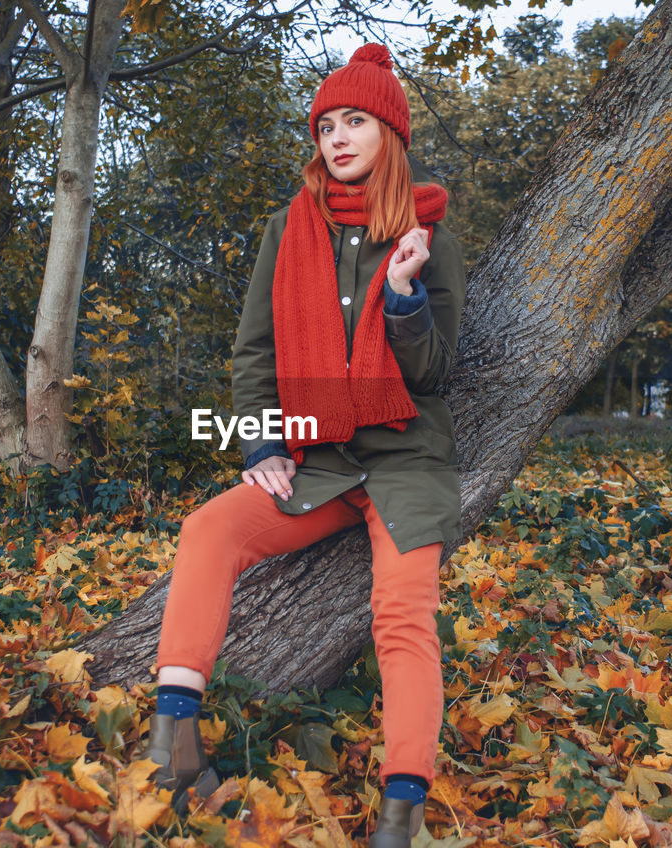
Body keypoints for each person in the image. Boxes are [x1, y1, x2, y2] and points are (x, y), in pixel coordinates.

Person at [140, 43, 466, 847]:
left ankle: (401, 811)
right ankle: (173, 746)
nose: (337, 138)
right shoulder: (287, 229)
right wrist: (260, 444)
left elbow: (432, 375)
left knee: (403, 615)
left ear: (389, 132)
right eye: (325, 126)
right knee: (211, 528)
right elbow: (255, 353)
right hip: (316, 459)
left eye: (355, 121)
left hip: (403, 462)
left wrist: (404, 292)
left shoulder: (430, 237)